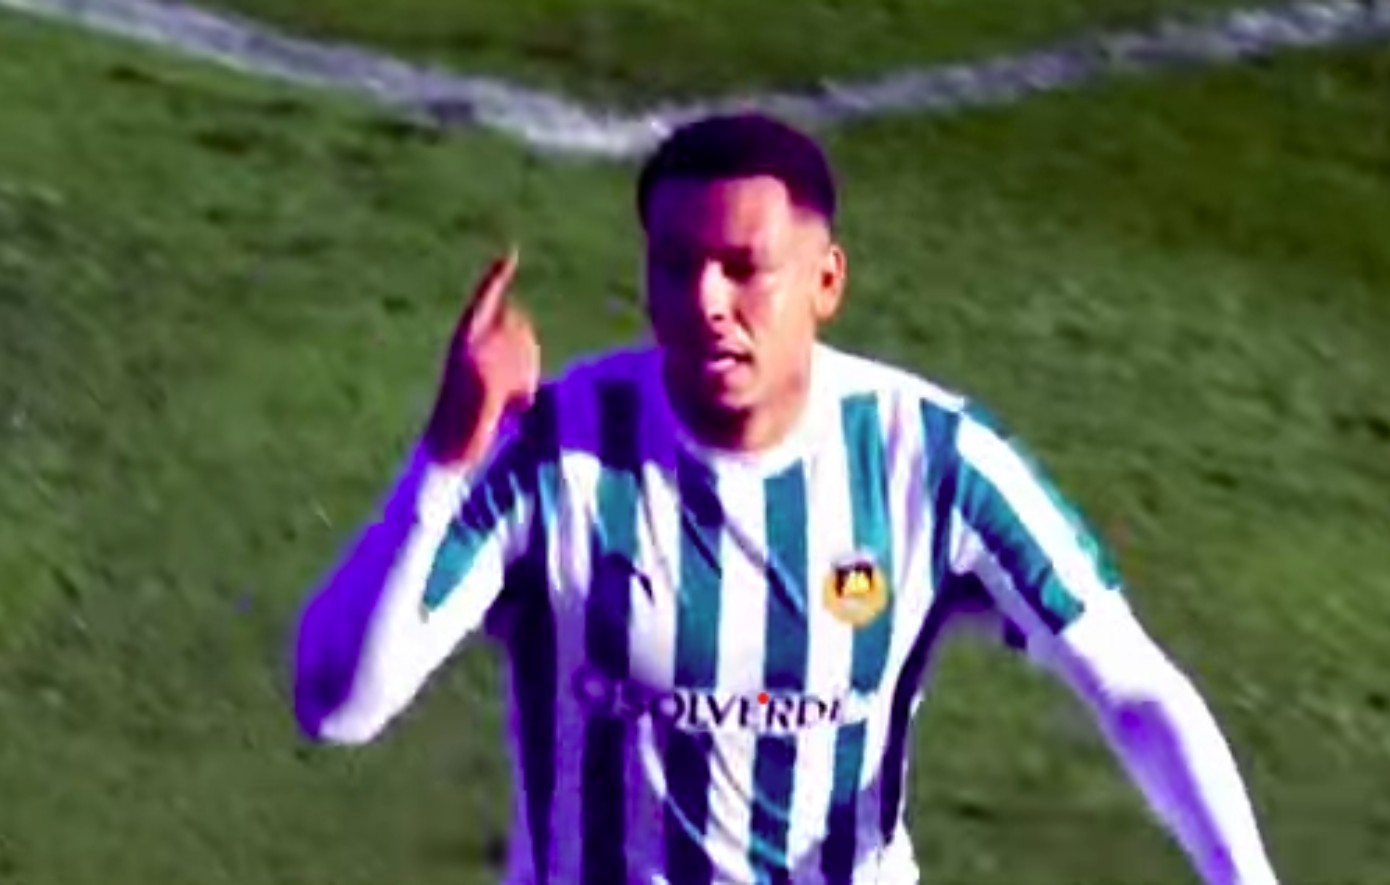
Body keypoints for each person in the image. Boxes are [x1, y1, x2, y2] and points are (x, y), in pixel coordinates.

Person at [293, 112, 1278, 884]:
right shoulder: (556, 451)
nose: (707, 302)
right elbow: (338, 705)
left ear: (826, 281)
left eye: (744, 269)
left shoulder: (931, 457)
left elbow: (1134, 689)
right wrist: (444, 458)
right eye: (676, 266)